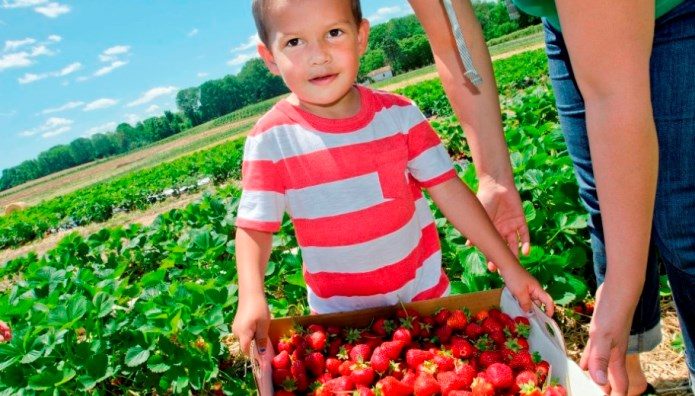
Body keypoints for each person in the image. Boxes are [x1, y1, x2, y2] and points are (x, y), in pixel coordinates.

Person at [231, 0, 555, 358]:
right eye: (294, 42)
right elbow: (255, 227)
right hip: (343, 321)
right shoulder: (271, 140)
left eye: (333, 33)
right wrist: (252, 296)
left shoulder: (399, 116)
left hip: (426, 299)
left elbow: (450, 193)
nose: (318, 55)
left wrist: (510, 269)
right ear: (269, 57)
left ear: (361, 38)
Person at [408, 0, 695, 394]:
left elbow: (613, 94)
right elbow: (451, 35)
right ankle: (625, 382)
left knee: (685, 223)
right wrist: (493, 177)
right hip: (568, 17)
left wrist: (623, 284)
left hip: (673, 12)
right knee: (605, 204)